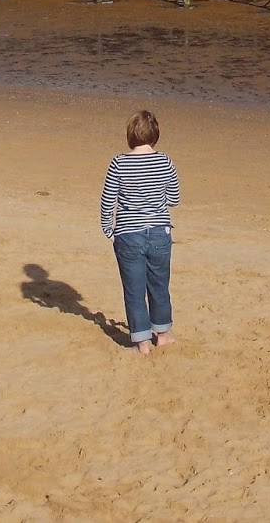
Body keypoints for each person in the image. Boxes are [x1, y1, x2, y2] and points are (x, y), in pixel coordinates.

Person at [99, 109, 180, 355]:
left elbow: (107, 200)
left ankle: (142, 343)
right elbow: (174, 198)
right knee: (159, 285)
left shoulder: (119, 163)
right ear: (155, 135)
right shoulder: (164, 161)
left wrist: (108, 229)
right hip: (158, 231)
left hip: (128, 234)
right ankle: (163, 335)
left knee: (134, 289)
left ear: (130, 136)